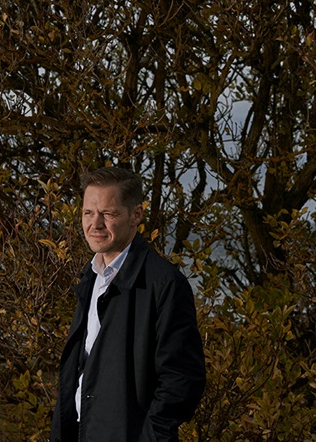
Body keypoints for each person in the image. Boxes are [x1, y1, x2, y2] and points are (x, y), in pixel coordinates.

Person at [51, 167, 207, 441]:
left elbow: (181, 380)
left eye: (108, 214)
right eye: (88, 213)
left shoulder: (164, 284)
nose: (95, 224)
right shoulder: (90, 277)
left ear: (136, 215)